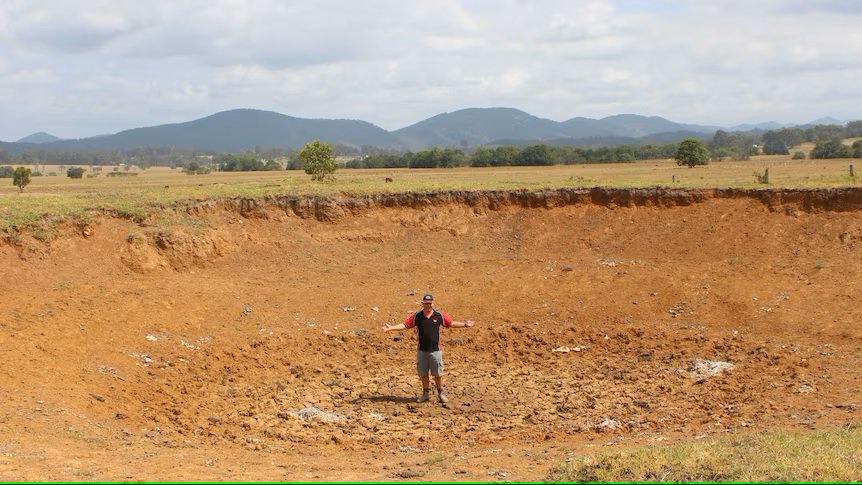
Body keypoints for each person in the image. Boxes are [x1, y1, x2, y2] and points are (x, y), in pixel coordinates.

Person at [382, 293, 475, 404]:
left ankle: (441, 393)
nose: (428, 305)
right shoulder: (417, 316)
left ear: (432, 303)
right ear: (422, 303)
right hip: (422, 350)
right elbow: (405, 325)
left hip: (435, 350)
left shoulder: (439, 315)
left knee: (438, 373)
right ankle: (425, 394)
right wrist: (391, 328)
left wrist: (465, 324)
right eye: (426, 303)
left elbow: (450, 323)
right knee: (423, 373)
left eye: (430, 303)